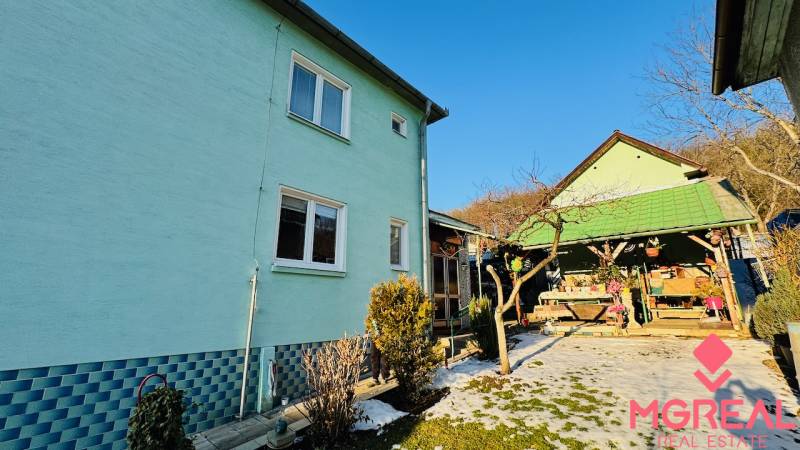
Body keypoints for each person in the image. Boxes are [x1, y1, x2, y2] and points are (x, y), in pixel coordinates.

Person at [369, 319, 389, 384]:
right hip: (374, 336)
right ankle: (375, 378)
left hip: (384, 335)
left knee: (384, 357)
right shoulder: (371, 314)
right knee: (374, 356)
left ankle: (384, 377)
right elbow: (369, 323)